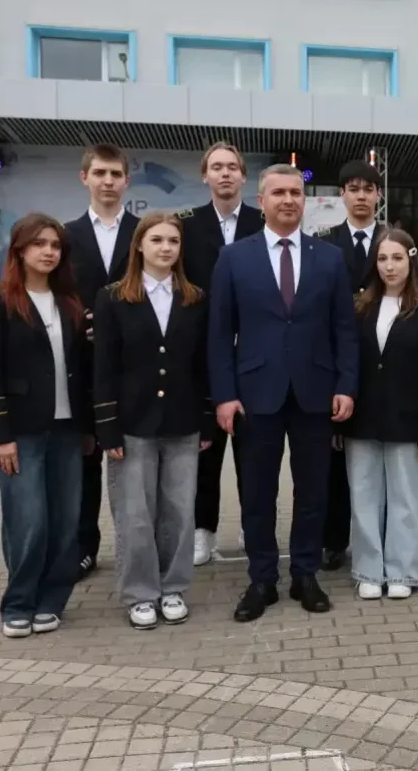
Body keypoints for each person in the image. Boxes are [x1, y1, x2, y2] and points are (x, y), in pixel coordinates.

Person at [207, 164, 359, 622]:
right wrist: (224, 395)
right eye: (279, 193)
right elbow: (219, 334)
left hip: (316, 392)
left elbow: (344, 330)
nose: (289, 200)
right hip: (255, 394)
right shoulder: (234, 258)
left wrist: (346, 385)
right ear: (261, 201)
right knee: (257, 492)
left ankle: (305, 574)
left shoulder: (329, 258)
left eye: (296, 192)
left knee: (312, 491)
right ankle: (262, 579)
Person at [0, 213, 90, 638]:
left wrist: (89, 428)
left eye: (55, 245)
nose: (48, 252)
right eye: (39, 244)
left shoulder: (70, 302)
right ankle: (19, 602)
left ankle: (52, 600)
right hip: (20, 431)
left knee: (65, 522)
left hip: (68, 430)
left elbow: (82, 368)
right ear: (19, 250)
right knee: (28, 521)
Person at [94, 212, 214, 630]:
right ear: (139, 245)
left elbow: (202, 365)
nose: (166, 248)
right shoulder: (113, 298)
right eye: (157, 240)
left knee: (179, 512)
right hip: (132, 422)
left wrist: (206, 418)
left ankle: (173, 587)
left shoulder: (194, 297)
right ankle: (140, 592)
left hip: (183, 420)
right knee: (135, 513)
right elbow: (104, 367)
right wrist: (107, 426)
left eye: (173, 241)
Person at [346, 229, 418, 599]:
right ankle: (368, 570)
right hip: (362, 419)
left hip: (410, 420)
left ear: (411, 260)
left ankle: (403, 572)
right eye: (382, 259)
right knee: (364, 497)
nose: (389, 266)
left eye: (397, 258)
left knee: (405, 499)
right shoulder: (358, 307)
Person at [180, 142, 264, 567]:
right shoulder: (186, 226)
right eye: (217, 167)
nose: (225, 173)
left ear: (244, 176)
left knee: (253, 450)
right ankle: (203, 531)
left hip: (254, 352)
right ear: (205, 175)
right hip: (202, 354)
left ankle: (252, 526)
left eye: (233, 167)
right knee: (205, 450)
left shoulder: (262, 223)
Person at [64, 144, 141, 581]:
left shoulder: (145, 232)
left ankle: (142, 547)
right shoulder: (65, 235)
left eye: (115, 174)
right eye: (100, 173)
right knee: (85, 459)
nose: (108, 181)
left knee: (137, 458)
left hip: (135, 366)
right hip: (81, 364)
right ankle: (83, 546)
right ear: (84, 178)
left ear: (127, 180)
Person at [314, 159, 387, 572]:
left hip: (383, 360)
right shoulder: (324, 243)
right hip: (336, 363)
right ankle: (333, 539)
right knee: (334, 457)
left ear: (379, 195)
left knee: (377, 454)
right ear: (341, 194)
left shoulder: (394, 240)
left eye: (368, 189)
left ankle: (377, 536)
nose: (361, 196)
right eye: (353, 189)